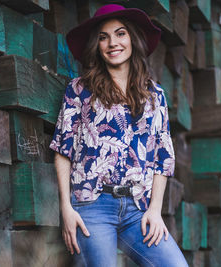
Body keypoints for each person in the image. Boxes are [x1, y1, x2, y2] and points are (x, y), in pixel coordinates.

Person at [49, 4, 189, 267]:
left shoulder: (154, 94)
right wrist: (66, 208)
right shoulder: (80, 90)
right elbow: (62, 150)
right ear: (97, 45)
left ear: (132, 39)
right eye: (104, 37)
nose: (113, 43)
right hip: (92, 206)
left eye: (120, 33)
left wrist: (155, 210)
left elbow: (163, 156)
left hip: (138, 209)